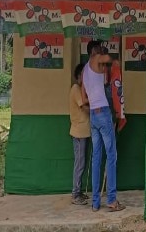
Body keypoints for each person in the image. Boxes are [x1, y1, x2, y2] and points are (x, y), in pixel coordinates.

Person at [81, 42, 125, 212]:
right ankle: (112, 200)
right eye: (99, 50)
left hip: (92, 113)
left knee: (96, 158)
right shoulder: (97, 59)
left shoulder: (85, 70)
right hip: (103, 112)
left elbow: (84, 98)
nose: (102, 53)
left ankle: (95, 202)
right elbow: (111, 59)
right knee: (111, 155)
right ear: (94, 52)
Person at [69, 63, 90, 205]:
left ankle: (79, 191)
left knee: (82, 162)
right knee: (79, 163)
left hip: (83, 131)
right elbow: (84, 106)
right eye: (84, 74)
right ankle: (75, 193)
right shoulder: (76, 89)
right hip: (78, 132)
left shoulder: (82, 89)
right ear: (78, 76)